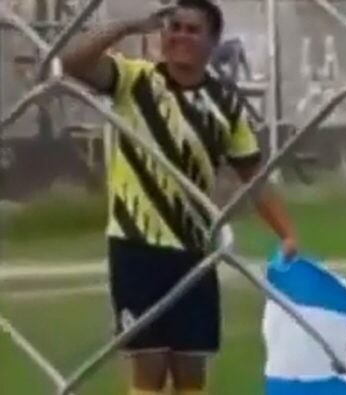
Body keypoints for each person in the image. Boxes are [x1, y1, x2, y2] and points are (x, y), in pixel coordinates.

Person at [60, 1, 297, 394]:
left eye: (193, 30)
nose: (180, 36)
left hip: (195, 250)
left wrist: (286, 232)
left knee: (190, 369)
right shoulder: (133, 80)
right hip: (136, 245)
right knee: (148, 364)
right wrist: (129, 26)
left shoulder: (226, 103)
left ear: (213, 41)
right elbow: (73, 61)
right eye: (175, 27)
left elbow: (252, 175)